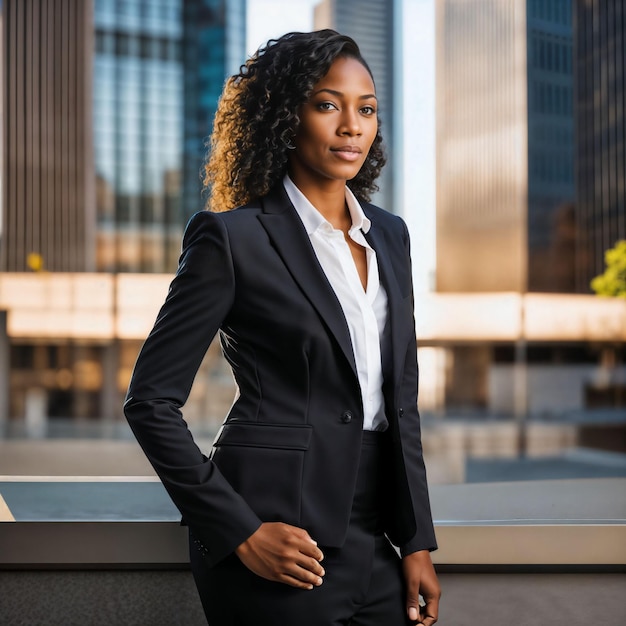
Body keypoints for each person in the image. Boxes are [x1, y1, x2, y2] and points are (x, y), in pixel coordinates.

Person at [124, 29, 440, 625]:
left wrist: (417, 540)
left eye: (365, 109)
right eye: (327, 104)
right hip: (276, 538)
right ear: (283, 115)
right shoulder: (232, 238)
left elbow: (400, 400)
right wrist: (238, 529)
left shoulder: (390, 236)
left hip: (378, 542)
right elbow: (150, 401)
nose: (351, 125)